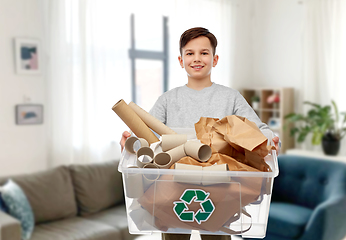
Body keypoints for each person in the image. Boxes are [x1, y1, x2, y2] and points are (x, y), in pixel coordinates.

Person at [120, 27, 280, 240]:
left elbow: (258, 129)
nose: (197, 58)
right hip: (174, 183)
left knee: (216, 235)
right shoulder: (168, 99)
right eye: (190, 53)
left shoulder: (230, 97)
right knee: (175, 235)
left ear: (214, 59)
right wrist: (130, 143)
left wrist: (270, 140)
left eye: (204, 53)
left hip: (219, 182)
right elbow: (145, 135)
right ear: (180, 60)